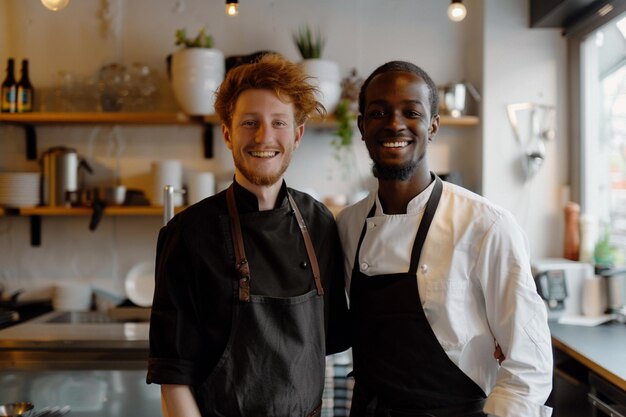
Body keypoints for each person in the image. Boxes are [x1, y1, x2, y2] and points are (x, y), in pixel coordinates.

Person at [336, 61, 553, 417]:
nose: (394, 123)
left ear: (433, 125)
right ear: (362, 126)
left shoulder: (486, 225)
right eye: (378, 112)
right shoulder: (348, 225)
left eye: (411, 112)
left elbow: (529, 363)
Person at [147, 53, 350, 417]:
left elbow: (326, 348)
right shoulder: (188, 235)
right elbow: (173, 377)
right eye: (249, 122)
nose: (264, 137)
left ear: (297, 134)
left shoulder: (319, 223)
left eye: (278, 123)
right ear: (227, 133)